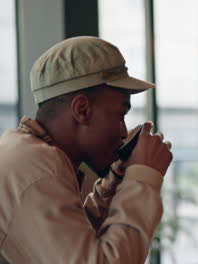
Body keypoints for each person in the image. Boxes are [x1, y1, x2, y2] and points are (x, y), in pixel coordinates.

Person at [0, 36, 173, 263]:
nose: (123, 132)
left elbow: (72, 241)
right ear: (82, 110)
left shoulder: (25, 154)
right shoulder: (37, 169)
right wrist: (143, 177)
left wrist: (114, 184)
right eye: (121, 115)